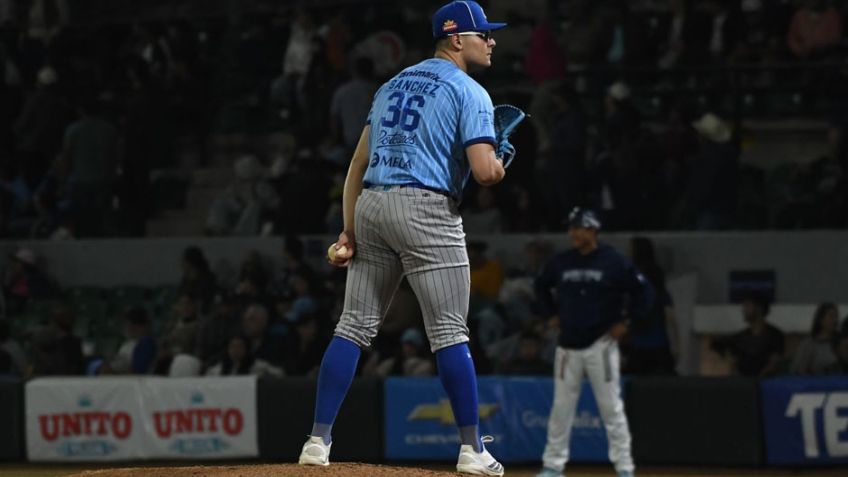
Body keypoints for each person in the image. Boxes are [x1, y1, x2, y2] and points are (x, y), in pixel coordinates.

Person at [298, 2, 509, 475]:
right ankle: (472, 450)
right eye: (484, 34)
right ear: (457, 39)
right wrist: (501, 161)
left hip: (371, 203)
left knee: (351, 326)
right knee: (450, 333)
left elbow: (356, 165)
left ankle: (317, 440)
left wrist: (348, 229)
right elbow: (484, 173)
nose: (491, 41)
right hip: (426, 208)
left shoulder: (392, 84)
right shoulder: (471, 91)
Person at [534, 208, 653, 477]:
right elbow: (540, 286)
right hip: (567, 345)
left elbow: (644, 292)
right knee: (561, 409)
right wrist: (550, 314)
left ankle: (624, 467)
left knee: (612, 408)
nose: (573, 233)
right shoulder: (561, 262)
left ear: (593, 230)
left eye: (579, 228)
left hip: (602, 344)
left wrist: (628, 322)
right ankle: (553, 465)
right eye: (572, 228)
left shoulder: (613, 262)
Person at [621, 237, 679, 375]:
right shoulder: (659, 286)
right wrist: (676, 346)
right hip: (659, 347)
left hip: (638, 348)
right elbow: (671, 318)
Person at [711, 293, 785, 376]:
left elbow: (774, 363)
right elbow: (732, 362)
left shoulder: (775, 335)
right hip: (743, 385)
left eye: (747, 305)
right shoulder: (740, 337)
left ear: (758, 308)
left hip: (765, 384)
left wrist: (758, 380)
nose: (743, 310)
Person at [789, 303, 841, 375]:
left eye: (836, 316)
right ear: (821, 319)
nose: (835, 320)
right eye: (831, 316)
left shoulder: (841, 342)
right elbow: (798, 370)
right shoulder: (809, 344)